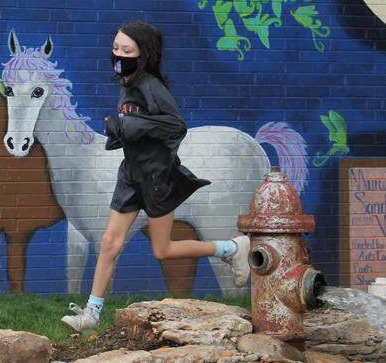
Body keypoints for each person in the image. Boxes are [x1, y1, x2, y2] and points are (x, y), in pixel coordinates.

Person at [61, 21, 251, 332]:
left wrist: (132, 128)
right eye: (115, 48)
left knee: (163, 250)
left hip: (155, 178)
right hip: (131, 174)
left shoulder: (151, 87)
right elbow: (138, 127)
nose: (119, 55)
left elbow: (175, 127)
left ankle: (231, 249)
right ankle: (91, 315)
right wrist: (122, 133)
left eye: (127, 50)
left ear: (144, 54)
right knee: (110, 242)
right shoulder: (128, 83)